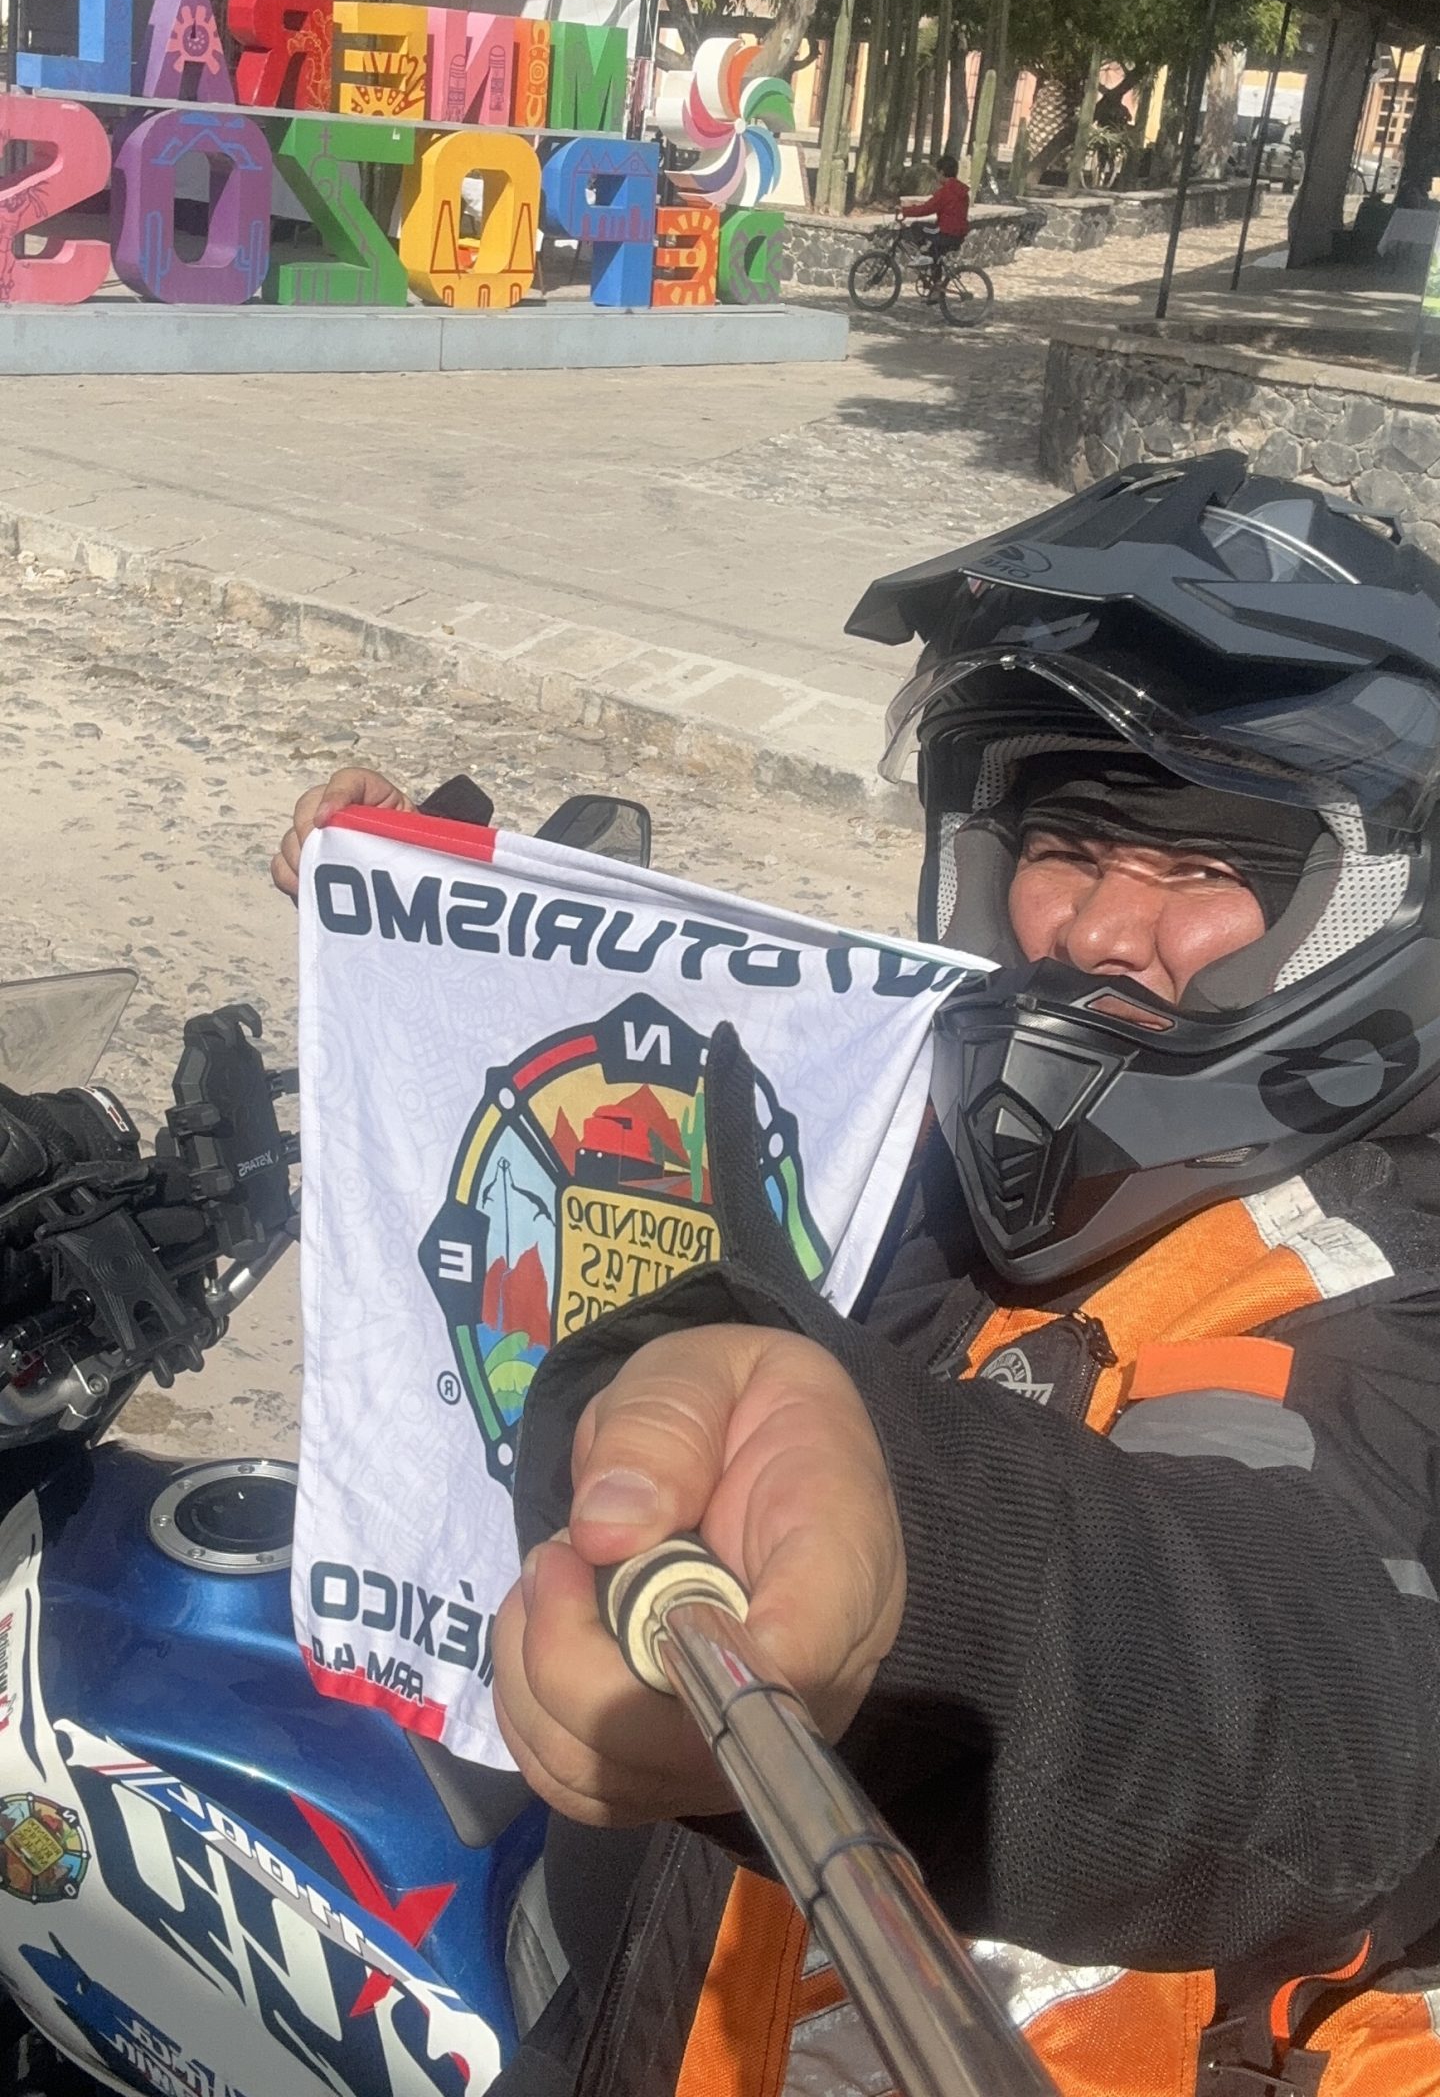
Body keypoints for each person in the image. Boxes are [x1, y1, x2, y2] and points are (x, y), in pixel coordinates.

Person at [274, 455, 1440, 2097]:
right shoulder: (938, 1141)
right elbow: (689, 1190)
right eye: (1068, 842)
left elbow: (1298, 1665)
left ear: (1370, 910)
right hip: (642, 2020)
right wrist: (459, 961)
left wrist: (918, 1577)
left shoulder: (1381, 1304)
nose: (1099, 929)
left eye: (1203, 868)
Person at [899, 152, 969, 266]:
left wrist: (905, 211)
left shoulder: (945, 191)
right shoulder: (963, 191)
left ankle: (922, 256)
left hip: (945, 232)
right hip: (960, 234)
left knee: (917, 227)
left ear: (941, 172)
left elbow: (926, 209)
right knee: (935, 259)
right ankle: (935, 274)